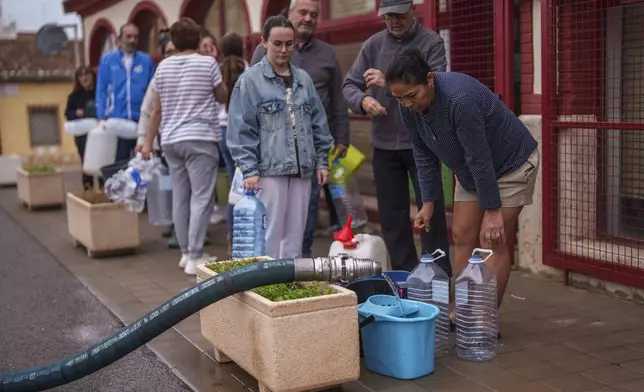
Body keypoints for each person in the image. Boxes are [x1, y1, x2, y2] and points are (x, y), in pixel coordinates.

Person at [387, 48, 539, 314]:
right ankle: (462, 307)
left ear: (430, 79)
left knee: (491, 238)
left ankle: (482, 319)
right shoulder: (407, 109)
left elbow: (480, 158)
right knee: (462, 232)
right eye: (399, 99)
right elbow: (423, 154)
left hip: (511, 162)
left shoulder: (459, 100)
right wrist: (428, 203)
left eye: (412, 96)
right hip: (472, 170)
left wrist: (492, 211)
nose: (407, 104)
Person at [342, 0, 451, 274]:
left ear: (412, 9)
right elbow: (349, 85)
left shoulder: (432, 43)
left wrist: (389, 85)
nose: (394, 21)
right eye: (388, 16)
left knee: (432, 214)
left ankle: (436, 278)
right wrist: (362, 101)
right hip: (384, 145)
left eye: (399, 15)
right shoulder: (372, 45)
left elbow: (437, 86)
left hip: (424, 144)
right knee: (393, 219)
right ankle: (406, 278)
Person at [227, 15, 334, 260]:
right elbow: (240, 129)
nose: (284, 50)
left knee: (296, 236)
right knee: (269, 234)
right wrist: (249, 169)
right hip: (267, 172)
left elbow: (319, 123)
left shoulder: (304, 80)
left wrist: (322, 161)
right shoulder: (250, 81)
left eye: (289, 44)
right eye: (277, 43)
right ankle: (266, 288)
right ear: (264, 42)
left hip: (302, 171)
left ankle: (289, 288)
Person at [250, 0, 349, 257]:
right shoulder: (264, 52)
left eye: (314, 14)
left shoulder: (326, 53)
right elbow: (249, 105)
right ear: (290, 13)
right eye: (302, 12)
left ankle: (298, 262)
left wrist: (341, 138)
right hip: (272, 153)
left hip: (311, 149)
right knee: (273, 218)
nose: (308, 18)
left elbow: (337, 100)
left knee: (306, 212)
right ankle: (270, 269)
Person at [141, 17, 228, 275]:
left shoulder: (163, 67)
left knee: (180, 197)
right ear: (198, 39)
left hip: (170, 139)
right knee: (201, 198)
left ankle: (184, 253)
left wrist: (148, 143)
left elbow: (156, 110)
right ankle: (195, 254)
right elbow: (222, 95)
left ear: (174, 42)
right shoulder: (208, 63)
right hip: (200, 136)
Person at [135, 29, 178, 245]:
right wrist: (144, 142)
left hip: (189, 140)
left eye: (174, 51)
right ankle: (174, 225)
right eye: (167, 52)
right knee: (170, 187)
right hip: (166, 143)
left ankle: (189, 230)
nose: (171, 55)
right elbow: (147, 111)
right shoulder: (157, 78)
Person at [96, 23, 155, 162]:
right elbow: (102, 89)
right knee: (119, 162)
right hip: (116, 120)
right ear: (119, 38)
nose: (132, 40)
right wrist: (101, 116)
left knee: (140, 164)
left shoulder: (145, 61)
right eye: (128, 36)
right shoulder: (108, 60)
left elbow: (152, 91)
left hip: (140, 121)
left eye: (135, 37)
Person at [218, 32, 249, 257]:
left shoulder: (217, 69)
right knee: (240, 187)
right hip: (239, 131)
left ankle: (231, 235)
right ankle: (239, 236)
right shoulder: (246, 67)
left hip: (221, 132)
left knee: (233, 184)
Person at [65, 65, 97, 188]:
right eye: (81, 76)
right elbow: (68, 113)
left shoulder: (99, 92)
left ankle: (103, 189)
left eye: (86, 75)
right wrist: (76, 113)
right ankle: (88, 190)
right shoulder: (74, 96)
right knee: (86, 162)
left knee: (102, 161)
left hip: (99, 133)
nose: (84, 78)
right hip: (82, 136)